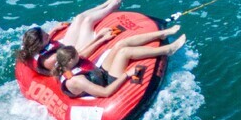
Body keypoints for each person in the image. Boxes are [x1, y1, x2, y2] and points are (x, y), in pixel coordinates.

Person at [45, 27, 185, 100]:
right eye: (76, 56)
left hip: (99, 74)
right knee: (124, 52)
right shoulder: (76, 80)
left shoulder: (66, 63)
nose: (79, 56)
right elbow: (105, 93)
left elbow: (83, 54)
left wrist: (101, 38)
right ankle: (168, 50)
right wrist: (126, 74)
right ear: (70, 62)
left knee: (120, 44)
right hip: (107, 83)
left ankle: (162, 34)